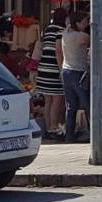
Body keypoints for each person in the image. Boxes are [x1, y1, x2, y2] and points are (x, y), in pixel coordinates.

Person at [34, 9, 67, 139]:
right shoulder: (61, 30)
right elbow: (58, 52)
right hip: (54, 68)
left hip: (43, 68)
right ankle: (53, 127)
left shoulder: (48, 29)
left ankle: (48, 127)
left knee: (48, 101)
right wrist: (61, 70)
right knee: (57, 99)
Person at [59, 11, 91, 143]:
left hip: (66, 71)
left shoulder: (65, 34)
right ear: (77, 23)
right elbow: (91, 41)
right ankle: (94, 133)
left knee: (71, 107)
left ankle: (69, 136)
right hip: (78, 73)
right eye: (84, 22)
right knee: (88, 104)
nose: (87, 24)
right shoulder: (81, 36)